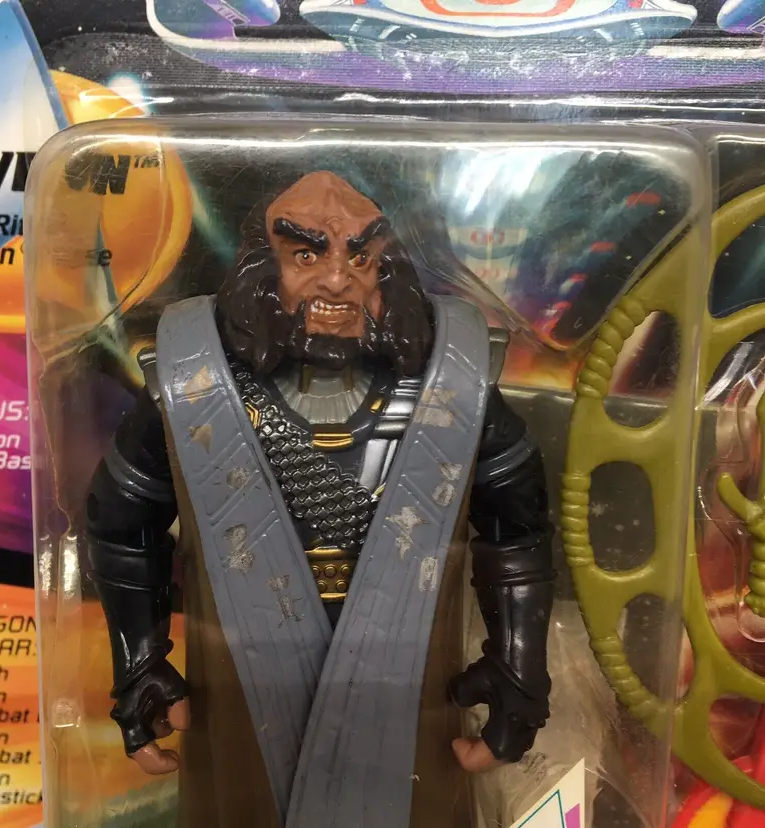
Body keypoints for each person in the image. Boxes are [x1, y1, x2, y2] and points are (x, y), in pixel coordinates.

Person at [85, 170, 555, 828]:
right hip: (242, 693)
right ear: (260, 269)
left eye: (361, 257)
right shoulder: (191, 385)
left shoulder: (453, 384)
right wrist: (140, 660)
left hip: (408, 689)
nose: (337, 279)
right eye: (306, 254)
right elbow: (120, 526)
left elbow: (519, 530)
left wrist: (518, 665)